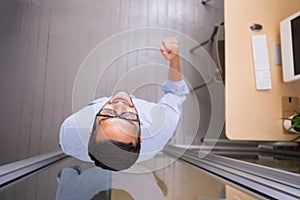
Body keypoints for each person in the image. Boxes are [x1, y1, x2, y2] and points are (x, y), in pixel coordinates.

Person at [59, 37, 189, 171]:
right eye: (129, 118)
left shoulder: (70, 131)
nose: (120, 104)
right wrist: (174, 59)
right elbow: (176, 93)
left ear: (91, 132)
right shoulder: (160, 128)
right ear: (141, 138)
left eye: (108, 114)